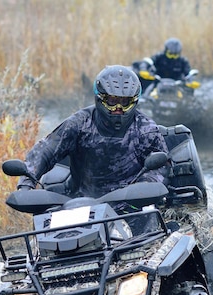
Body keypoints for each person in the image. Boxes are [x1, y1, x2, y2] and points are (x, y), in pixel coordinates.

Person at [17, 65, 168, 200]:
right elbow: (46, 150)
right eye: (112, 101)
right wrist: (27, 183)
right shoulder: (79, 124)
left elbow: (161, 167)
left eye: (124, 102)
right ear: (100, 98)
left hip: (131, 206)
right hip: (78, 203)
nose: (118, 108)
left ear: (134, 101)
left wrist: (144, 188)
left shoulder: (146, 130)